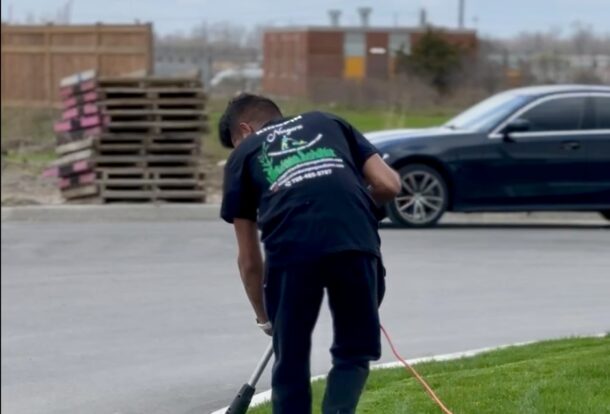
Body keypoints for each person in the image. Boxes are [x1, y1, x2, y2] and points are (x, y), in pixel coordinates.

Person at [219, 93, 401, 414]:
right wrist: (353, 208)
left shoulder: (242, 156)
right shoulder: (328, 122)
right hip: (354, 240)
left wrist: (265, 318)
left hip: (291, 252)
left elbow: (248, 259)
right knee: (354, 351)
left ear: (245, 131)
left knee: (290, 358)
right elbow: (388, 184)